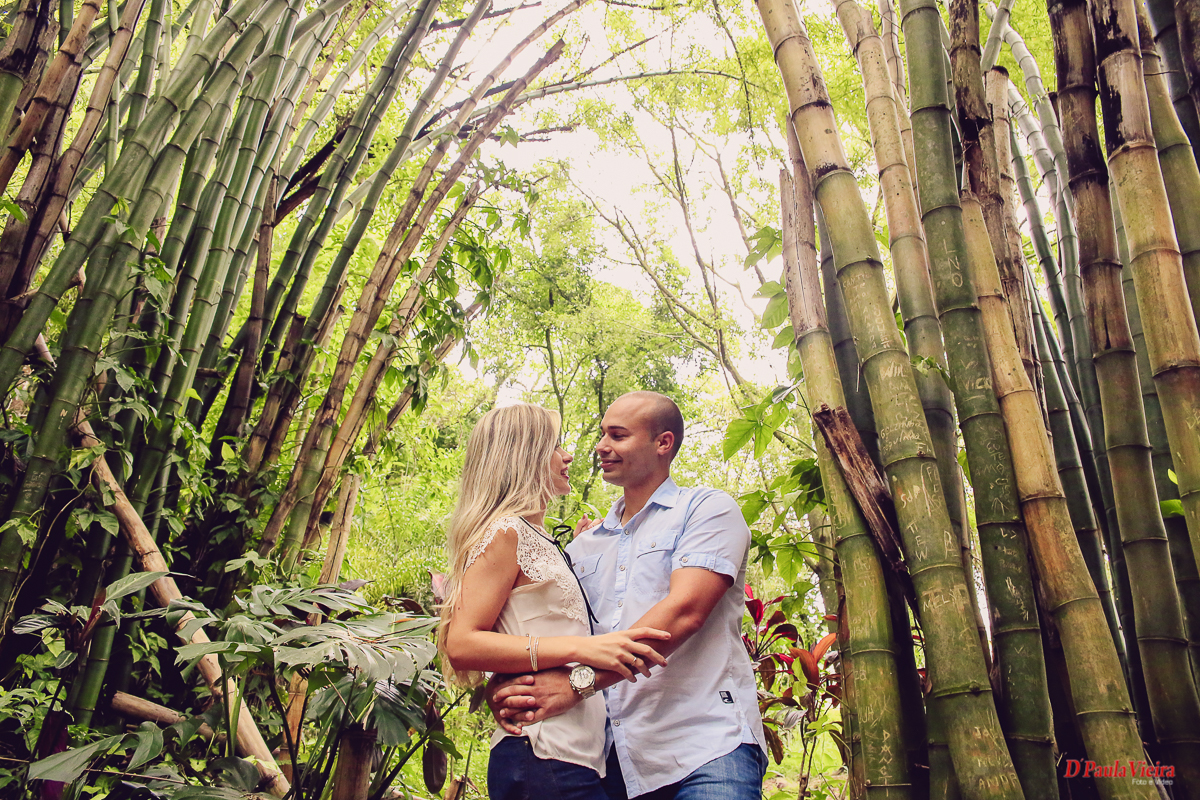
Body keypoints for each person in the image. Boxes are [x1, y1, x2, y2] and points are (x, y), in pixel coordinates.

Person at [490, 391, 768, 800]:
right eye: (603, 434)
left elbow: (683, 613)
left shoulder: (707, 510)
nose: (601, 446)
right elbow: (553, 629)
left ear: (663, 443)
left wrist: (576, 685)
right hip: (616, 761)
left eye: (617, 436)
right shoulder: (582, 548)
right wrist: (511, 688)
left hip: (707, 747)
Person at [438, 403, 672, 800]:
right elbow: (461, 642)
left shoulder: (541, 540)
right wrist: (585, 648)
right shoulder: (506, 532)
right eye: (555, 445)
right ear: (523, 455)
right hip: (542, 753)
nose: (568, 455)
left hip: (576, 758)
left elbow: (528, 623)